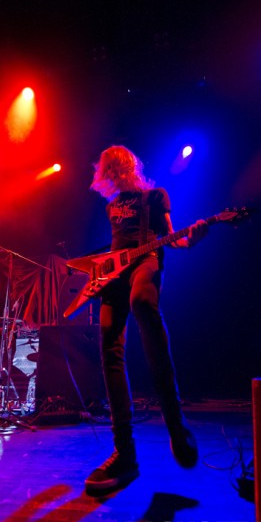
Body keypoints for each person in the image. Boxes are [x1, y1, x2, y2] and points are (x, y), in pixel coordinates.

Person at [84, 145, 208, 494]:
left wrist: (191, 240)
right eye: (105, 169)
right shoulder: (111, 206)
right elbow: (115, 244)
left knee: (142, 302)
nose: (108, 174)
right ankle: (125, 453)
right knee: (109, 343)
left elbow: (173, 238)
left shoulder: (155, 196)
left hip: (146, 259)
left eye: (112, 168)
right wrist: (102, 273)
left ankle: (175, 422)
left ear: (126, 167)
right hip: (114, 271)